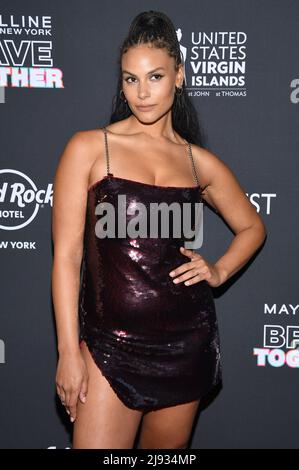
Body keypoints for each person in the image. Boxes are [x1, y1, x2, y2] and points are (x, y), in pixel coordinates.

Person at [51, 10, 267, 449]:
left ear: (179, 77)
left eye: (155, 77)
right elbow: (67, 258)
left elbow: (252, 227)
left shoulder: (197, 162)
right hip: (109, 347)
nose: (142, 93)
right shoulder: (89, 148)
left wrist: (219, 271)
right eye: (131, 80)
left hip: (186, 345)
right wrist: (68, 352)